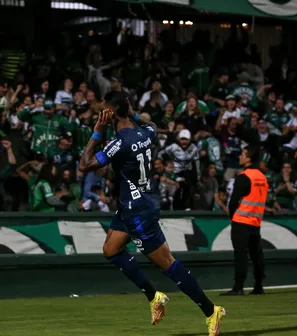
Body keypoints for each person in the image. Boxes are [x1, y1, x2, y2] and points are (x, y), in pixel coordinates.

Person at [78, 91, 225, 335]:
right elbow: (153, 125)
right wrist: (132, 114)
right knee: (111, 250)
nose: (101, 113)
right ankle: (154, 296)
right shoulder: (144, 133)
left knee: (167, 264)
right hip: (133, 204)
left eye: (104, 110)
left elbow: (84, 165)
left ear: (112, 113)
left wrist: (97, 131)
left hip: (139, 210)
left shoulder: (120, 142)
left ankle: (211, 311)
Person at [221, 145, 268, 296]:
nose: (240, 156)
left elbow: (233, 201)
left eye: (242, 154)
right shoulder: (262, 177)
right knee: (257, 255)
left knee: (241, 254)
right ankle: (259, 286)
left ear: (248, 158)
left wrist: (232, 217)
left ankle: (238, 287)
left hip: (241, 221)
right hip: (256, 221)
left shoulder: (244, 177)